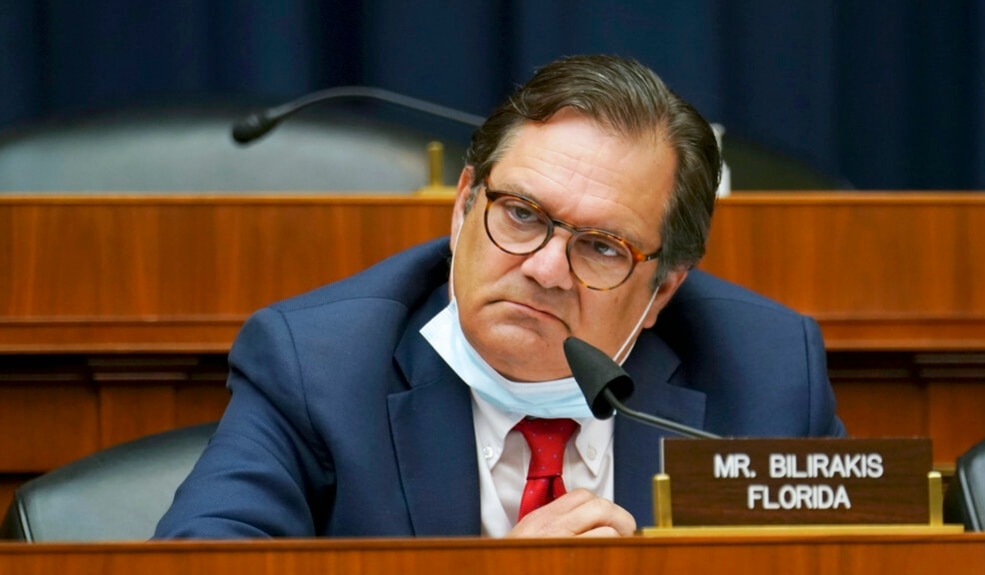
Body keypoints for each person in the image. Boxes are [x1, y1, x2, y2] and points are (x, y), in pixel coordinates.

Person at [155, 54, 844, 539]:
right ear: (461, 208)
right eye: (519, 212)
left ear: (662, 288)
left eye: (601, 246)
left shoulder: (766, 374)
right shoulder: (319, 366)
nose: (545, 268)